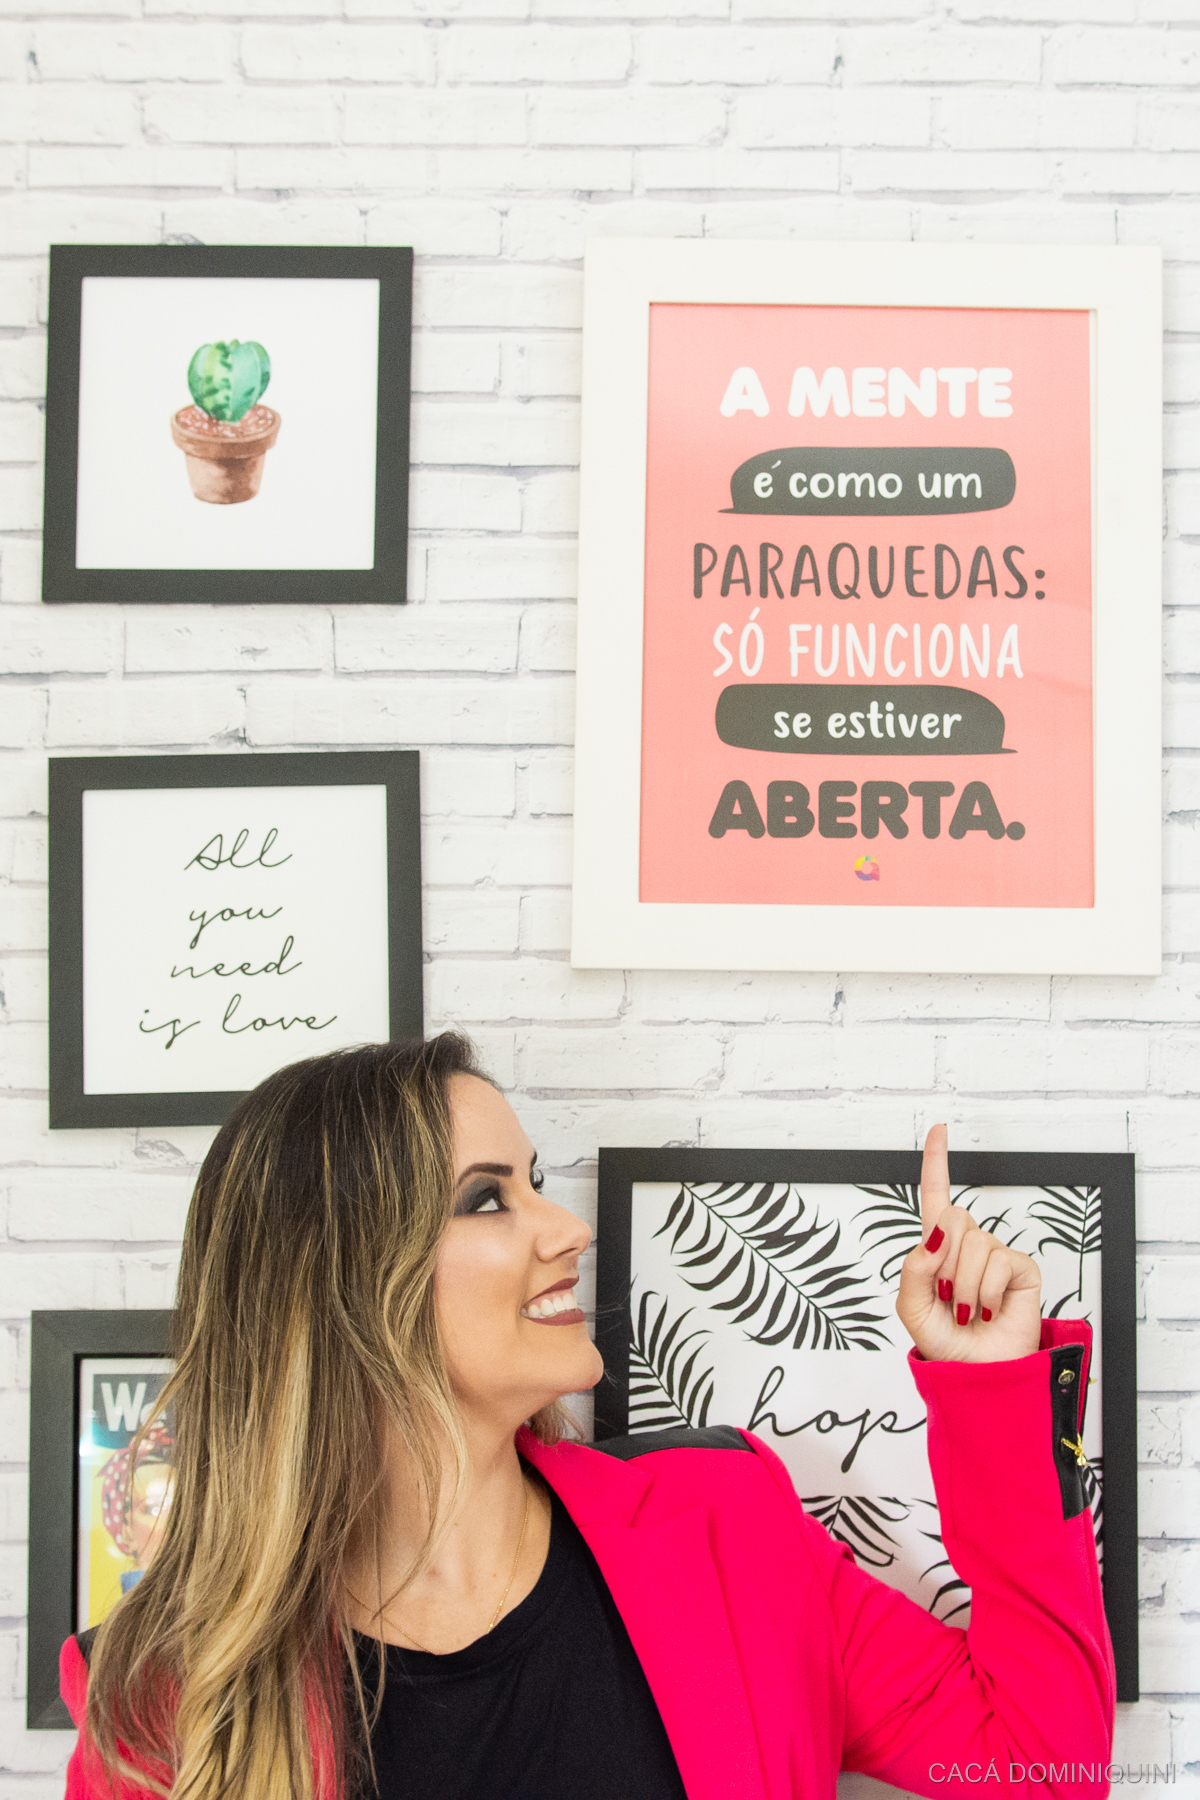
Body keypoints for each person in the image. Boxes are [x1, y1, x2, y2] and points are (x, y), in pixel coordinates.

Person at [60, 1035, 1114, 1800]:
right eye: (488, 1198)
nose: (565, 1228)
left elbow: (1042, 1762)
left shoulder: (726, 1524)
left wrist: (993, 1389)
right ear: (342, 1285)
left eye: (537, 1182)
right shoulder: (164, 1700)